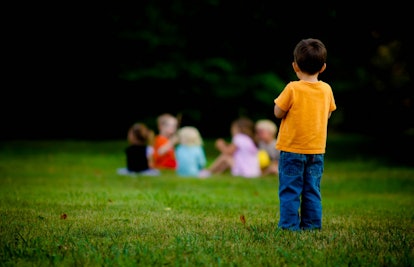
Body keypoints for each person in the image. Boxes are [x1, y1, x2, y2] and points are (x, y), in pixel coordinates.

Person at [274, 38, 336, 231]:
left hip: (292, 148)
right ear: (323, 67)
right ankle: (311, 225)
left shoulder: (293, 88)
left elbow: (278, 112)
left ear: (295, 66)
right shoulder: (326, 89)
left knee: (290, 189)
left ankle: (289, 226)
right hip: (316, 150)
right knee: (312, 189)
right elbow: (328, 113)